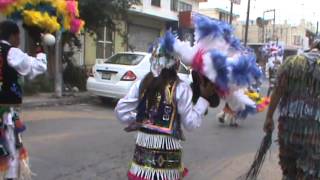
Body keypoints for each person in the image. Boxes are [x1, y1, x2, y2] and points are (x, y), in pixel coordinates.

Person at [115, 38, 214, 180]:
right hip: (167, 163)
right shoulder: (180, 88)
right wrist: (203, 99)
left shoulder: (142, 84)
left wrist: (141, 119)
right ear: (176, 63)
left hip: (143, 160)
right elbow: (190, 124)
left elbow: (120, 112)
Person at [264, 39, 320, 179]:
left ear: (312, 46)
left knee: (289, 169)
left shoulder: (291, 62)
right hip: (314, 132)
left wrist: (269, 117)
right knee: (309, 170)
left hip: (288, 128)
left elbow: (277, 91)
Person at [0, 20, 47, 180]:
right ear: (13, 36)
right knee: (11, 150)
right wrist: (39, 46)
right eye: (19, 36)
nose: (19, 40)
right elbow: (40, 66)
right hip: (5, 112)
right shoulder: (11, 52)